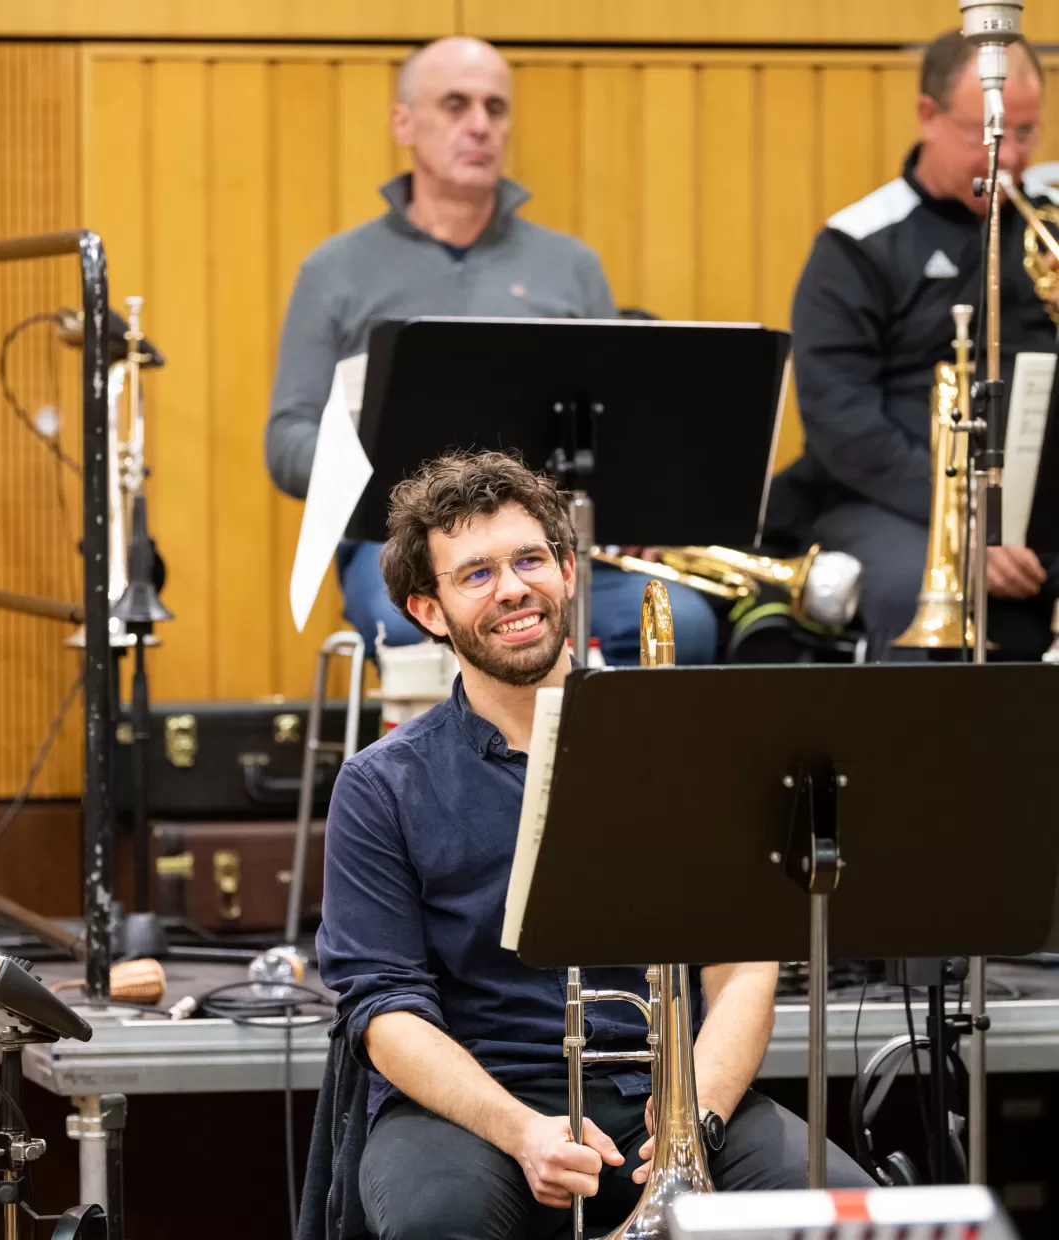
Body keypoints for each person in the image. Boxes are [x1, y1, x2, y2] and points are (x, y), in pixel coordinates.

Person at [317, 450, 873, 1240]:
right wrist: (521, 1131)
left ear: (569, 571)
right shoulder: (381, 786)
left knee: (839, 1215)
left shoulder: (684, 750)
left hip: (671, 1092)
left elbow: (743, 964)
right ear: (428, 610)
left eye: (529, 560)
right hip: (477, 1107)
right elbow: (386, 1012)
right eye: (475, 574)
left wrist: (696, 1127)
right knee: (438, 1219)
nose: (512, 588)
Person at [265, 36, 717, 666]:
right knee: (407, 630)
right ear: (404, 122)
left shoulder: (572, 267)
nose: (479, 125)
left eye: (494, 108)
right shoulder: (334, 271)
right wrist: (393, 466)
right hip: (405, 547)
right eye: (455, 104)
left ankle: (590, 767)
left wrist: (638, 506)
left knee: (686, 625)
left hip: (552, 548)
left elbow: (615, 432)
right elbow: (286, 442)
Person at [773, 30, 1059, 658]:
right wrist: (964, 525)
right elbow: (840, 420)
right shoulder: (856, 243)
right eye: (989, 135)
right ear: (929, 116)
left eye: (1027, 133)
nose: (1008, 158)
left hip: (1036, 502)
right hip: (892, 501)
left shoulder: (1048, 227)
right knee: (925, 590)